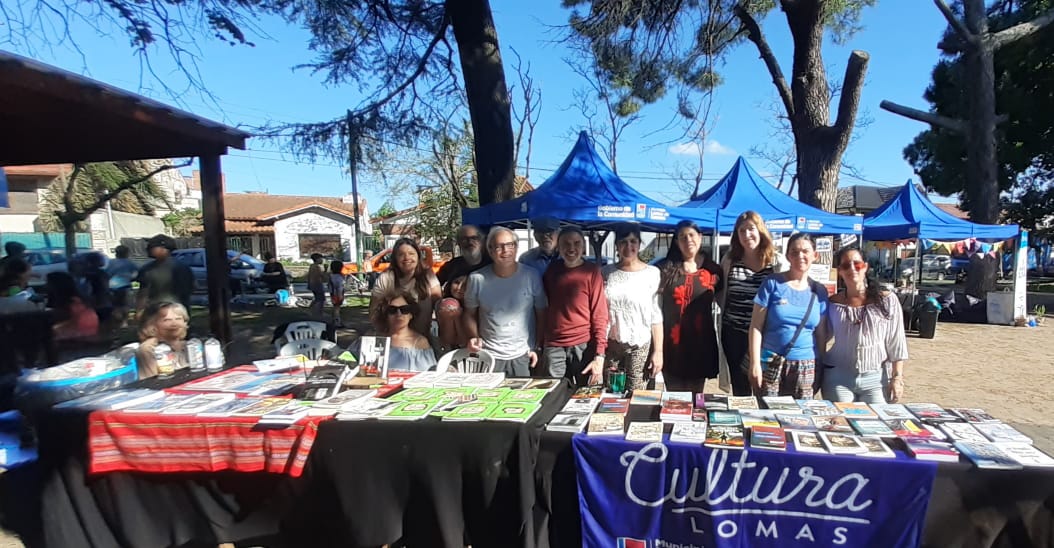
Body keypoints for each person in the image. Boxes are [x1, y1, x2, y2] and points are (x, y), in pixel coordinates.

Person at [823, 246, 909, 404]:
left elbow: (896, 342)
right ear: (840, 271)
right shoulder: (832, 303)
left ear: (865, 266)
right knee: (840, 424)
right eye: (846, 265)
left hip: (876, 379)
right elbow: (820, 337)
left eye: (857, 264)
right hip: (838, 377)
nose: (852, 269)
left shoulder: (887, 300)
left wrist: (897, 378)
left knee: (877, 425)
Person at [749, 233, 829, 399]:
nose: (800, 256)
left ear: (815, 255)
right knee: (767, 417)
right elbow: (756, 326)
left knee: (800, 419)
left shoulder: (819, 291)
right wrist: (755, 363)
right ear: (787, 256)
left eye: (805, 251)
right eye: (794, 252)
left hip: (806, 365)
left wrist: (820, 365)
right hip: (771, 361)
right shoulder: (772, 284)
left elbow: (821, 334)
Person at [717, 211, 787, 396]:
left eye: (751, 229)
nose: (747, 235)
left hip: (767, 337)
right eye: (741, 231)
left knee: (767, 388)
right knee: (741, 388)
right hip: (734, 334)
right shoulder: (730, 260)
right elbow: (721, 293)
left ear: (761, 230)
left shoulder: (777, 262)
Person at [465, 227, 547, 377]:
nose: (505, 250)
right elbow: (469, 314)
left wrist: (537, 348)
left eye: (510, 245)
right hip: (489, 356)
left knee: (522, 399)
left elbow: (541, 314)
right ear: (490, 250)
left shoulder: (531, 276)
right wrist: (474, 337)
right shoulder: (476, 279)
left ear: (516, 248)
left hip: (523, 354)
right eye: (499, 246)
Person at [656, 220, 723, 393]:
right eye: (682, 237)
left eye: (691, 235)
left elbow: (724, 302)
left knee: (696, 398)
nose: (688, 240)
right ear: (677, 242)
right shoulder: (664, 270)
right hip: (672, 344)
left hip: (701, 343)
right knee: (675, 400)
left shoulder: (713, 270)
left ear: (700, 237)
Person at [542, 227, 609, 385]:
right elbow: (543, 309)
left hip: (583, 345)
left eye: (576, 243)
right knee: (553, 394)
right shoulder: (551, 271)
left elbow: (600, 314)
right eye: (566, 243)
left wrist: (600, 353)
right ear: (558, 247)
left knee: (586, 395)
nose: (571, 248)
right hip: (554, 345)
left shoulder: (592, 272)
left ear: (584, 247)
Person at [602, 224, 663, 392]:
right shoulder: (605, 272)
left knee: (637, 396)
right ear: (616, 245)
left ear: (639, 244)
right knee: (611, 395)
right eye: (623, 241)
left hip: (640, 344)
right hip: (612, 345)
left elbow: (656, 315)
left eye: (633, 241)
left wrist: (658, 352)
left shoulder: (652, 273)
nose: (628, 246)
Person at [371, 238, 442, 337]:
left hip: (421, 336)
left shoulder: (428, 276)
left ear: (418, 256)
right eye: (401, 254)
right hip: (392, 337)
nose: (406, 258)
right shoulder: (386, 277)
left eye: (411, 253)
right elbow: (374, 310)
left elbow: (439, 305)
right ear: (395, 258)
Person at [361, 289, 437, 372]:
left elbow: (428, 375)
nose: (399, 314)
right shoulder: (372, 338)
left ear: (411, 314)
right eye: (392, 310)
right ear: (385, 315)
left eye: (404, 310)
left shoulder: (420, 343)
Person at [136, 234, 194, 316]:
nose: (148, 249)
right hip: (178, 310)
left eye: (152, 246)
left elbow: (143, 293)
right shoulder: (183, 267)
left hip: (160, 311)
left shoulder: (148, 269)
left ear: (164, 249)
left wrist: (139, 310)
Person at [135, 301, 190, 379]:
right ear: (152, 325)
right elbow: (154, 382)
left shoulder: (188, 345)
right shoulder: (148, 349)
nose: (174, 324)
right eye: (167, 320)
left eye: (178, 319)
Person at [45, 272, 99, 341]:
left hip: (76, 339)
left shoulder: (72, 303)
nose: (45, 286)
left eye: (48, 283)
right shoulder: (78, 300)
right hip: (83, 337)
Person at [435, 275, 469, 350]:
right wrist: (455, 318)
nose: (459, 288)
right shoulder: (448, 304)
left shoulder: (476, 305)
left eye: (465, 285)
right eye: (456, 282)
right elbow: (449, 340)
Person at [107, 245, 138, 327]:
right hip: (125, 287)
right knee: (125, 305)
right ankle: (124, 322)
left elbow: (106, 274)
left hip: (111, 288)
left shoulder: (111, 262)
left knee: (115, 306)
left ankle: (116, 321)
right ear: (126, 253)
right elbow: (136, 275)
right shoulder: (130, 263)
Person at [81, 252, 112, 322]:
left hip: (92, 303)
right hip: (103, 302)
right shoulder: (102, 273)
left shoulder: (85, 274)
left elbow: (86, 289)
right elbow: (106, 287)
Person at [307, 253, 327, 321]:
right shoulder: (317, 267)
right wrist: (326, 269)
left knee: (317, 298)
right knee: (321, 299)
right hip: (317, 284)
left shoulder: (312, 266)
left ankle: (311, 311)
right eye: (321, 258)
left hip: (313, 285)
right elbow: (322, 276)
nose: (322, 260)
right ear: (317, 259)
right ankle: (318, 313)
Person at [329, 260, 346, 327]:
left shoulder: (331, 276)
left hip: (333, 294)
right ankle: (337, 322)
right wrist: (340, 295)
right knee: (337, 308)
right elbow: (339, 287)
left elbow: (330, 286)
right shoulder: (339, 277)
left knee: (335, 308)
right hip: (338, 294)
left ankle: (334, 320)